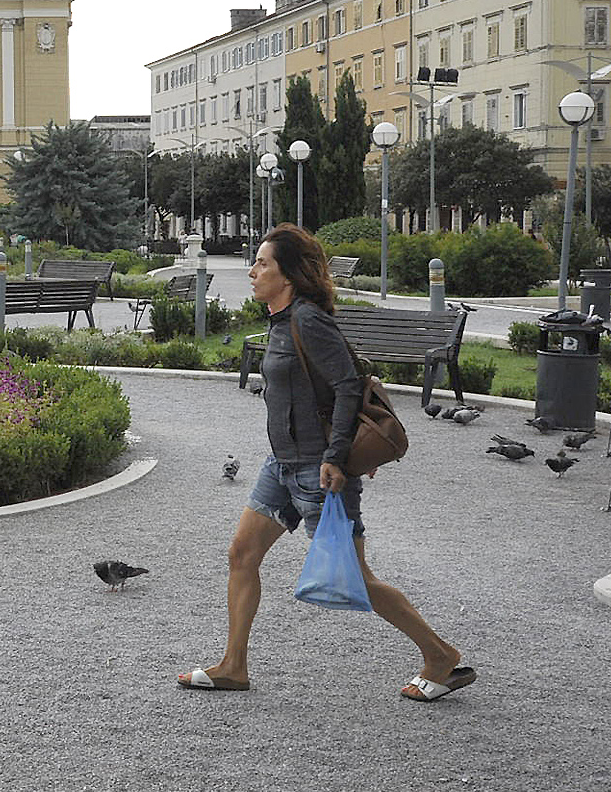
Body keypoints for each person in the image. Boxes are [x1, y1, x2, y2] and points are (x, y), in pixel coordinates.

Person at [179, 223, 471, 702]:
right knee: (242, 555)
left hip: (319, 471)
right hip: (282, 465)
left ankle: (440, 655)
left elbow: (347, 385)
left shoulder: (307, 319)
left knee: (356, 577)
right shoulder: (280, 319)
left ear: (288, 276)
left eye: (262, 264)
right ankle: (233, 665)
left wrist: (338, 456)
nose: (252, 271)